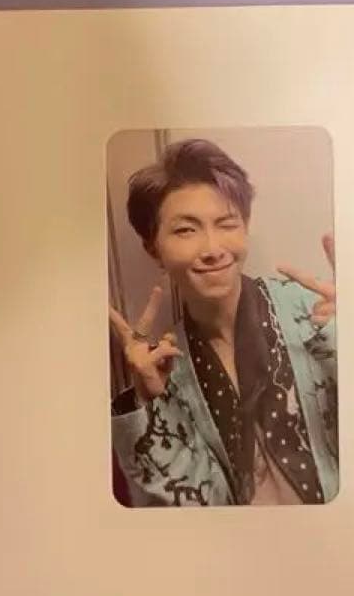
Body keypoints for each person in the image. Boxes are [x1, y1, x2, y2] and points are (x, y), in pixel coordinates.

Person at [108, 138, 338, 508]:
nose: (213, 249)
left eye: (227, 223)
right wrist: (148, 404)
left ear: (245, 228)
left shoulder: (318, 312)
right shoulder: (165, 365)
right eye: (186, 230)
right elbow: (188, 507)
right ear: (154, 249)